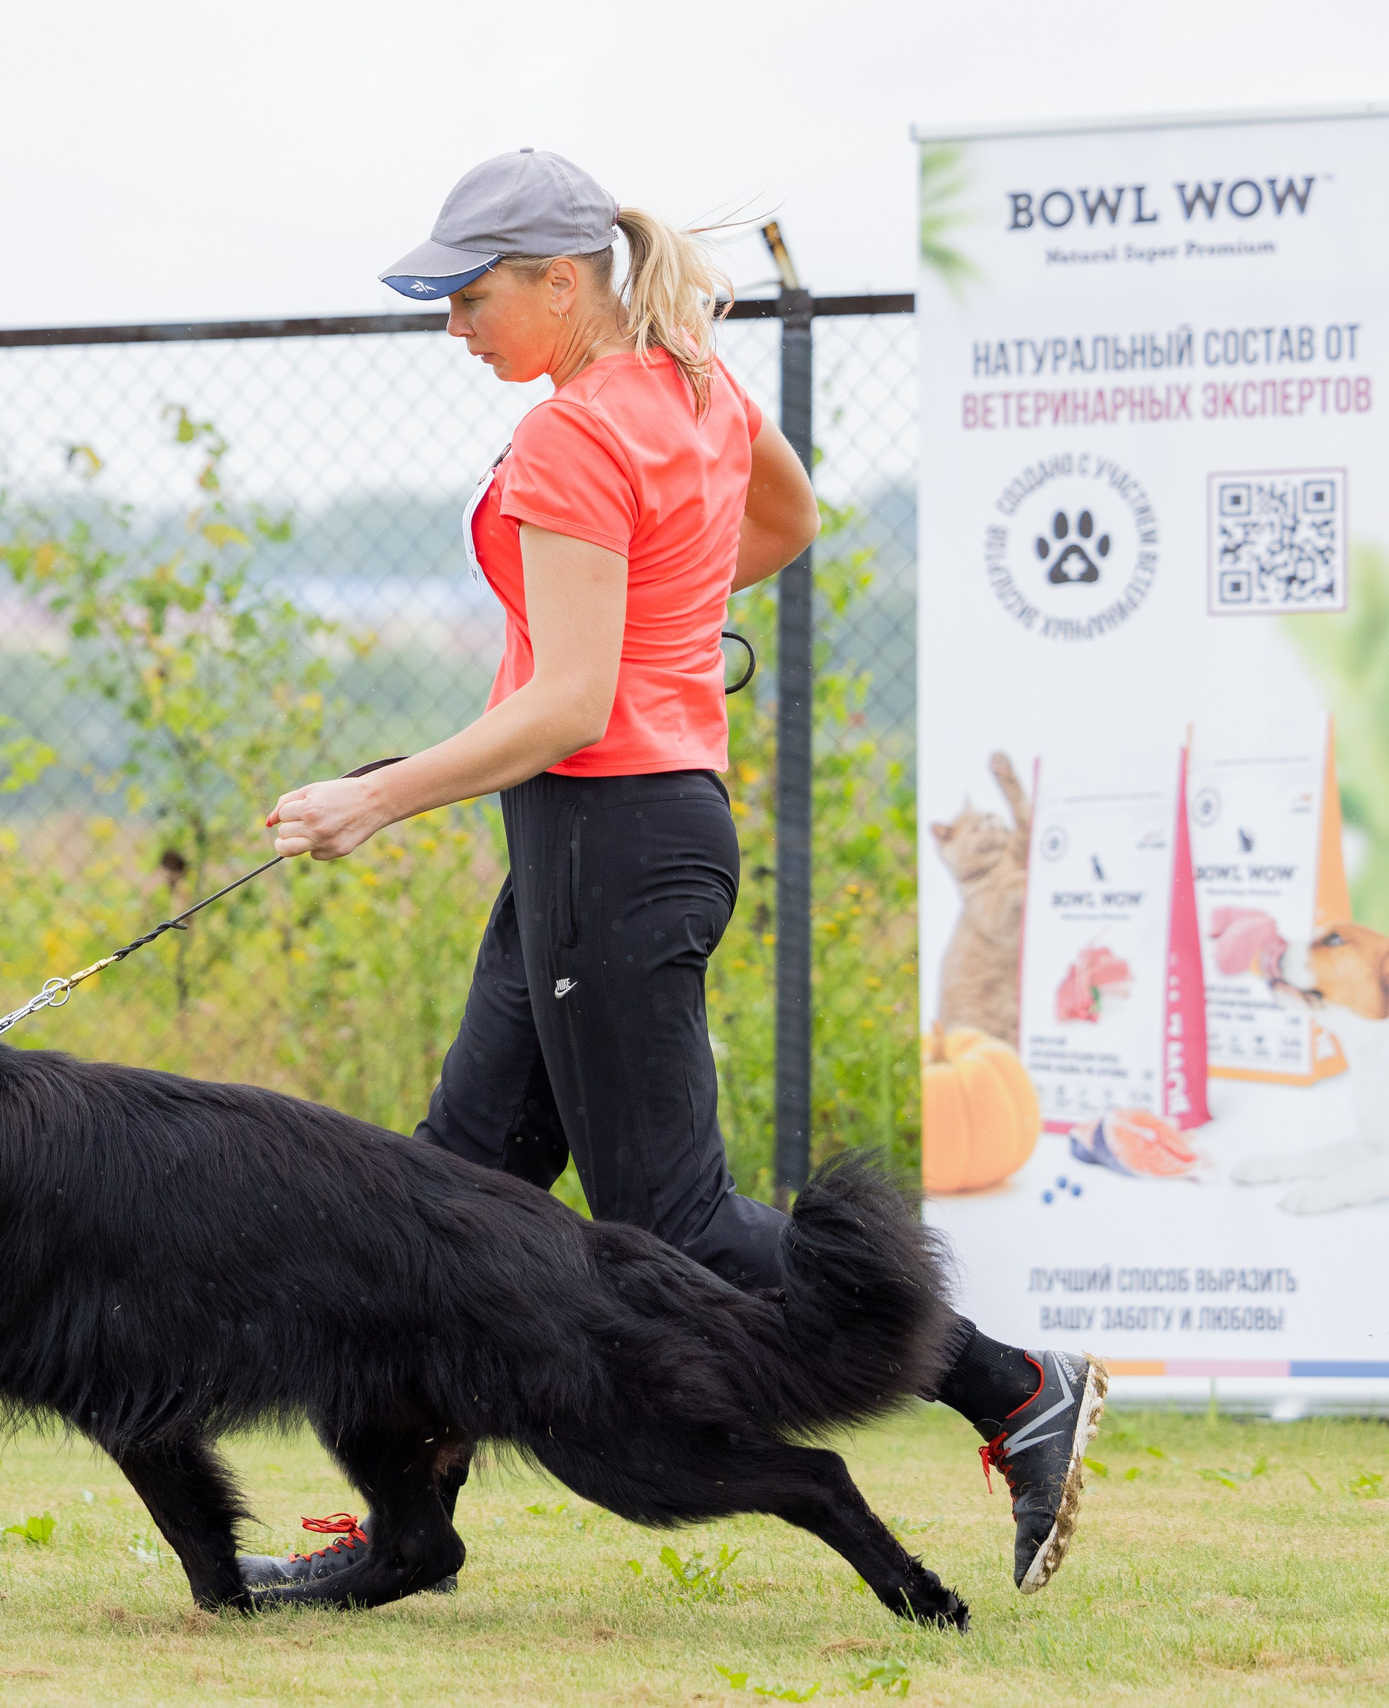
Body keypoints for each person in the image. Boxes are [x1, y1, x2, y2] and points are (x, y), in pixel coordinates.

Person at [242, 150, 1104, 1599]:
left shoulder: (574, 435)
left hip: (609, 830)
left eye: (470, 293)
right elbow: (785, 524)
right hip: (619, 835)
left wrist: (371, 799)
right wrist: (667, 615)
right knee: (443, 1196)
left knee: (678, 1222)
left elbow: (571, 705)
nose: (453, 322)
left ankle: (1014, 1387)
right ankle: (406, 1539)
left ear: (559, 282)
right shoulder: (692, 385)